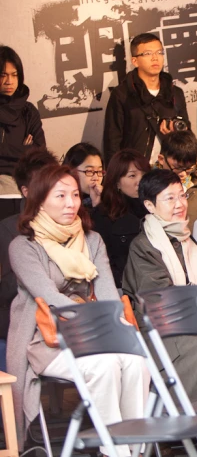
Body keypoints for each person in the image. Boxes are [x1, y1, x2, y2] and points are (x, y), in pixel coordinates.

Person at [8, 163, 149, 455]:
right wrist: (97, 321)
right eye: (60, 196)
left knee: (136, 361)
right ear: (39, 200)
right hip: (48, 337)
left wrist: (117, 324)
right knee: (105, 366)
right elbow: (49, 297)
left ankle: (135, 449)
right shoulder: (24, 246)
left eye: (74, 194)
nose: (71, 203)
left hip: (96, 330)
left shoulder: (92, 239)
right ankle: (114, 452)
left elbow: (109, 292)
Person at [122, 169, 197, 452]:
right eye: (169, 198)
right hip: (161, 332)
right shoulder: (144, 246)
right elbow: (165, 301)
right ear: (150, 206)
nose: (180, 204)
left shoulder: (189, 241)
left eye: (182, 195)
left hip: (196, 324)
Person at [0, 147, 59, 372]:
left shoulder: (71, 224)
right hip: (22, 314)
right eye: (42, 183)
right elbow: (7, 289)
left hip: (61, 314)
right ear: (25, 190)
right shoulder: (8, 229)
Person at [104, 33, 189, 163]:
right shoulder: (122, 94)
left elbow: (187, 134)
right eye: (148, 54)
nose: (155, 58)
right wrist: (116, 175)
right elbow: (112, 140)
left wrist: (175, 134)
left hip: (171, 168)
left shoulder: (175, 93)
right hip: (136, 170)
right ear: (135, 61)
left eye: (159, 53)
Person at [91, 149, 151, 286]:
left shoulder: (157, 210)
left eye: (144, 174)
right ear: (117, 182)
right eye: (132, 176)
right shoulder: (104, 215)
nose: (139, 181)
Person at [0, 46, 46, 187]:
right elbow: (31, 152)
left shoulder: (28, 111)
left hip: (25, 183)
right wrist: (25, 149)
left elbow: (40, 153)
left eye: (14, 75)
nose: (9, 81)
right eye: (3, 75)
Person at [154, 130, 197, 231]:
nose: (183, 174)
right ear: (161, 159)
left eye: (189, 168)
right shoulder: (149, 187)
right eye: (177, 168)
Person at [63, 142, 104, 210]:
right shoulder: (60, 201)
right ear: (71, 170)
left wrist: (97, 205)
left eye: (99, 171)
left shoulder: (106, 201)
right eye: (89, 171)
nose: (96, 178)